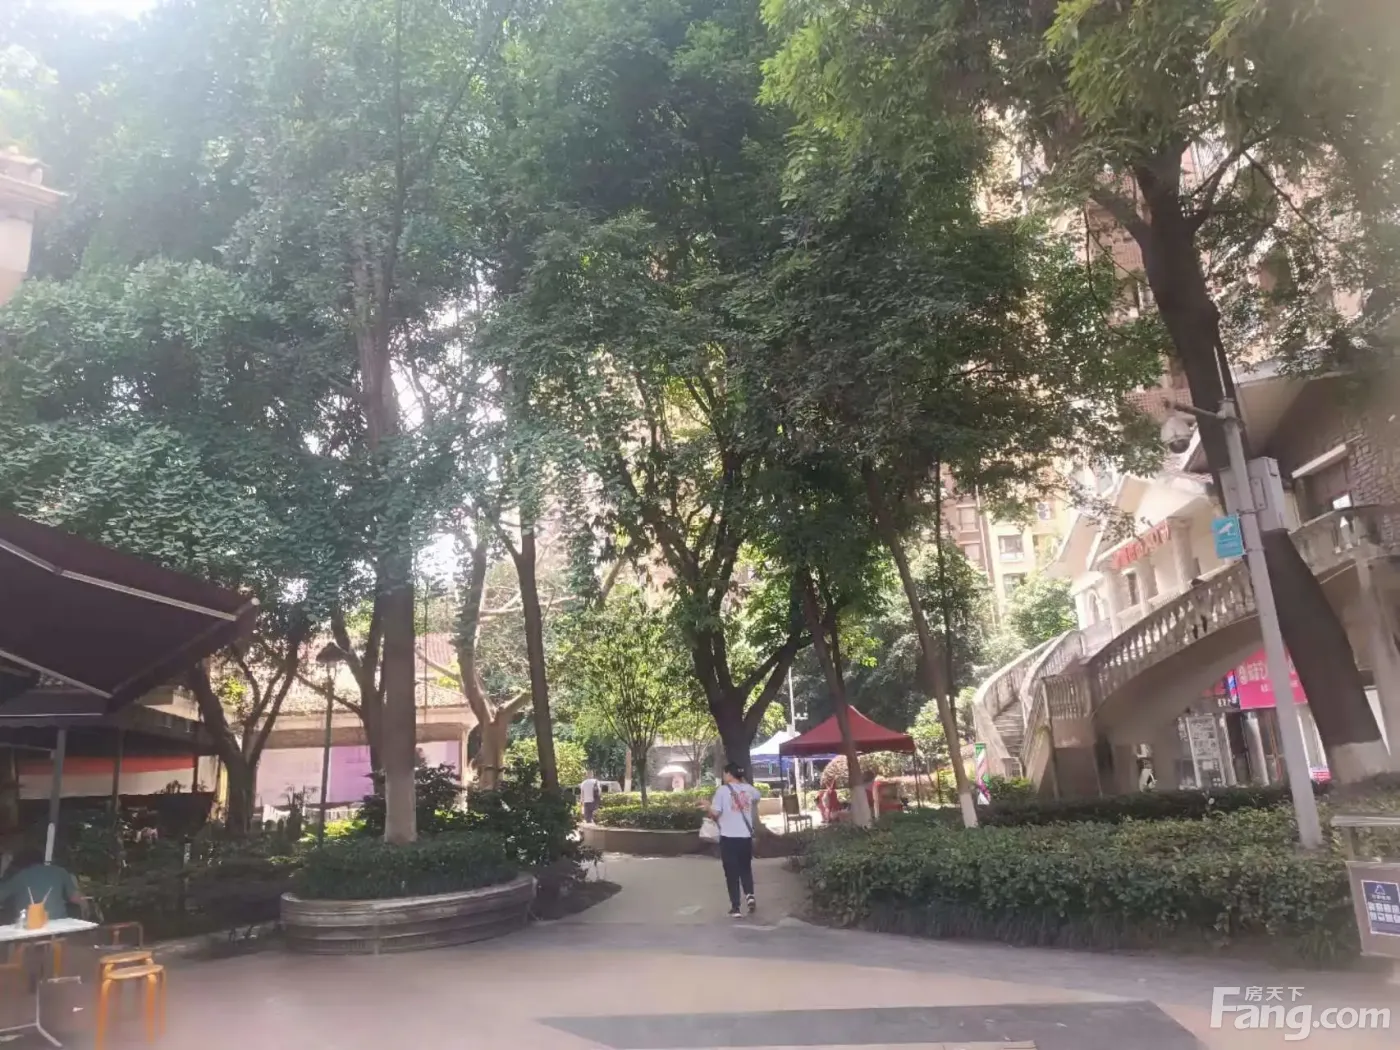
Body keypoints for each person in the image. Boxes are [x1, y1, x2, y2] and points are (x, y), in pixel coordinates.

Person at [707, 762, 761, 917]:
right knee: (745, 868)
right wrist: (741, 780)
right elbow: (757, 796)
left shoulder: (722, 791)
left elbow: (715, 814)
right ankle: (750, 895)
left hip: (728, 838)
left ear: (729, 774)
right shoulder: (750, 790)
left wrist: (707, 807)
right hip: (745, 837)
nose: (724, 776)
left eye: (725, 773)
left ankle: (736, 907)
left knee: (731, 873)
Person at [0, 849, 84, 922]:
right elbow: (75, 897)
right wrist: (85, 911)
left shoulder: (20, 876)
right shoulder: (60, 871)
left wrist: (2, 868)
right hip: (59, 924)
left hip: (30, 926)